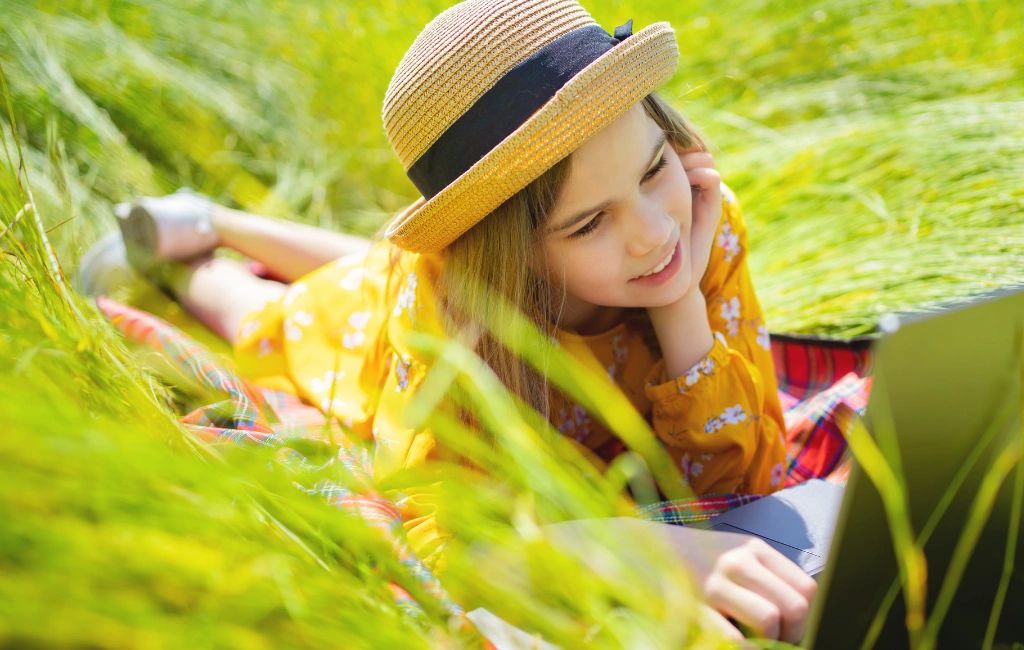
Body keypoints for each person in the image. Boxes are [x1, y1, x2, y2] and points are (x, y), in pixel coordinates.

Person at [92, 0, 816, 642]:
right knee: (291, 315)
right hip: (374, 323)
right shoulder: (449, 317)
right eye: (591, 222)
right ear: (508, 258)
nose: (657, 232)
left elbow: (745, 480)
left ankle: (218, 216)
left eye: (654, 169)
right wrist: (635, 547)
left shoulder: (696, 230)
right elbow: (444, 548)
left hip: (427, 278)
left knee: (367, 265)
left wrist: (681, 302)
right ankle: (196, 256)